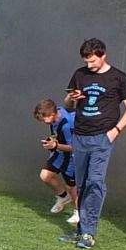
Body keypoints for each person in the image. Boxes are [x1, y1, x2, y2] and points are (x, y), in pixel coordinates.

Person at [63, 38, 126, 249]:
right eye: (86, 61)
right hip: (80, 137)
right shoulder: (80, 75)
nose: (90, 65)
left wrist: (115, 131)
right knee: (82, 184)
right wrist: (73, 98)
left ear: (103, 55)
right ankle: (80, 231)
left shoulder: (118, 78)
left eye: (93, 61)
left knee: (95, 182)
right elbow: (67, 105)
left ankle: (89, 232)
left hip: (102, 138)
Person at [33, 97, 79, 226]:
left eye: (44, 119)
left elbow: (74, 147)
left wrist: (55, 146)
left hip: (71, 156)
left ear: (52, 114)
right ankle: (63, 197)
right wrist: (52, 141)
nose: (44, 122)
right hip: (59, 152)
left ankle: (78, 211)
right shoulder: (56, 112)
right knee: (45, 176)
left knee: (72, 186)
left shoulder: (67, 125)